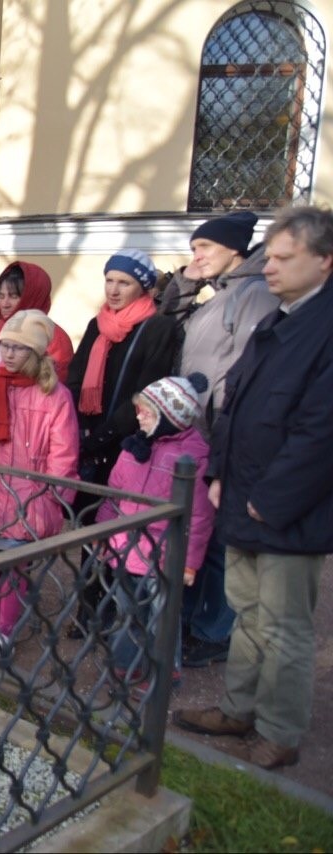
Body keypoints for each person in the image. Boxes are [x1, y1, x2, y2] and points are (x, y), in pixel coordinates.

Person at [174, 205, 333, 771]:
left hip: (286, 511)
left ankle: (279, 731)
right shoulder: (280, 320)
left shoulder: (324, 329)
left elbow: (320, 433)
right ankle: (238, 708)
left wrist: (269, 500)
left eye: (285, 258)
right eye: (270, 255)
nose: (268, 266)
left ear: (325, 261)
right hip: (242, 495)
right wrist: (219, 473)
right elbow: (234, 404)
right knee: (247, 615)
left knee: (285, 627)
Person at [161, 211, 277, 669]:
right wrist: (185, 284)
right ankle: (197, 620)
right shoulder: (221, 293)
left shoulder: (255, 294)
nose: (198, 256)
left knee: (220, 542)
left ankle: (215, 631)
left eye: (205, 247)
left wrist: (220, 424)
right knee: (202, 534)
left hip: (224, 434)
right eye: (194, 248)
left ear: (234, 249)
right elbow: (169, 328)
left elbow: (247, 370)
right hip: (203, 431)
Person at [65, 250, 181, 634]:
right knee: (91, 530)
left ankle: (119, 612)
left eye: (124, 283)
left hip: (126, 444)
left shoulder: (158, 328)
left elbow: (145, 390)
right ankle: (88, 610)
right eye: (110, 280)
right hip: (90, 444)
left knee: (123, 533)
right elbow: (77, 378)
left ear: (143, 287)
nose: (113, 290)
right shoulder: (98, 324)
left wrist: (105, 436)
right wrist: (80, 430)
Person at [0, 310, 79, 659]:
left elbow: (63, 453)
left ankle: (3, 629)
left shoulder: (54, 395)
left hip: (29, 496)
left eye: (18, 348)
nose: (8, 353)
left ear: (35, 352)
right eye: (4, 345)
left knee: (13, 569)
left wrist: (53, 499)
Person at [97, 374, 214, 698]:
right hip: (125, 548)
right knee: (127, 610)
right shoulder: (135, 447)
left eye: (146, 412)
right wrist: (103, 532)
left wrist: (189, 562)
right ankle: (126, 663)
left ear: (169, 417)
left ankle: (164, 671)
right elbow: (114, 494)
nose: (139, 417)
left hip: (163, 554)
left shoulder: (192, 456)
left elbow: (200, 517)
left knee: (161, 617)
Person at [0, 262, 74, 389]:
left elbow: (52, 388)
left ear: (32, 296)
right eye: (1, 296)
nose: (4, 304)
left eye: (13, 296)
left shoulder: (54, 338)